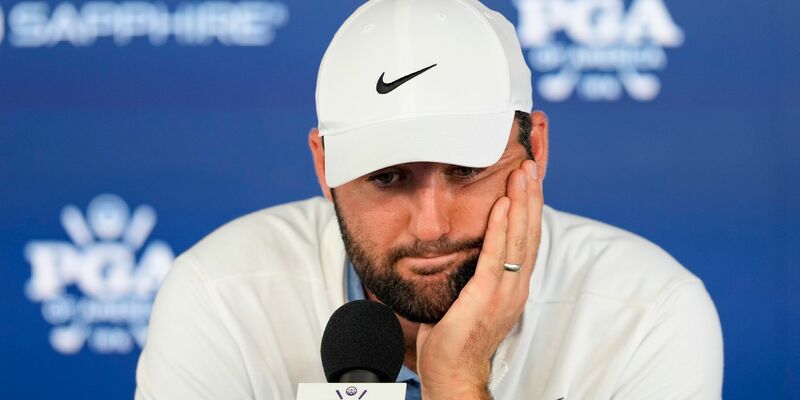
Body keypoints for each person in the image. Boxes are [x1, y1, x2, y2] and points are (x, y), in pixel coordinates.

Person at [134, 0, 724, 399]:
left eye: (466, 169)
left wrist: (459, 379)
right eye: (388, 178)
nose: (432, 225)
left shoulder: (649, 313)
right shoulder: (220, 298)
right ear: (324, 167)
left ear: (535, 149)